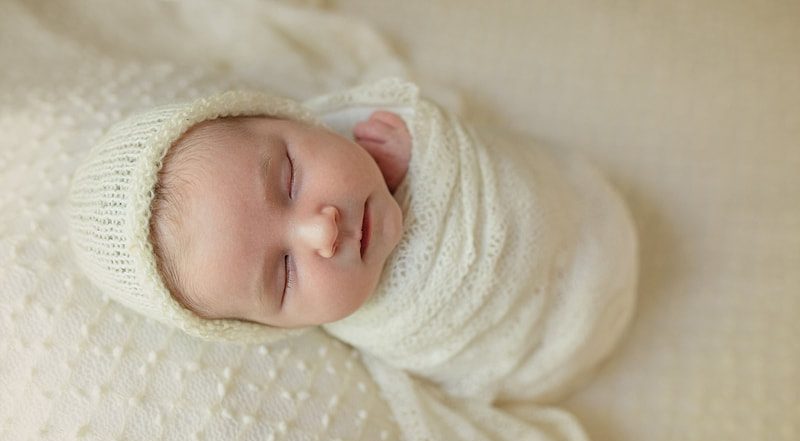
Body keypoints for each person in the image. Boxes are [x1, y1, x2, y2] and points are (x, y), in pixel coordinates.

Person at [70, 77, 637, 403]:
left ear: (286, 117)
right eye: (285, 273)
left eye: (289, 178)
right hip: (553, 337)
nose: (321, 229)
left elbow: (506, 197)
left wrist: (426, 167)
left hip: (579, 216)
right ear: (267, 329)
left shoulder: (369, 125)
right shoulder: (377, 323)